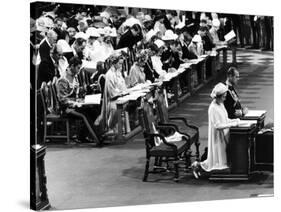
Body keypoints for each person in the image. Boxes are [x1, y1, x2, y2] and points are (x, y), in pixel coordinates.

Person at [191, 83, 240, 178]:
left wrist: (234, 120)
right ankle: (197, 165)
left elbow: (225, 119)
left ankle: (198, 165)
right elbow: (218, 125)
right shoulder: (213, 108)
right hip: (217, 136)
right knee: (215, 161)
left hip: (223, 134)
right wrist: (233, 124)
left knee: (218, 159)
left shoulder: (221, 104)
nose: (225, 99)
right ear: (218, 96)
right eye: (224, 97)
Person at [56, 56, 102, 145]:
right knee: (85, 114)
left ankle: (83, 136)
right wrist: (76, 103)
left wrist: (83, 92)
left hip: (76, 104)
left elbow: (76, 92)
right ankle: (97, 137)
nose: (79, 70)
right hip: (67, 109)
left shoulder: (74, 76)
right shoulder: (63, 79)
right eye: (77, 68)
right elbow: (62, 100)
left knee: (94, 110)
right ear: (72, 66)